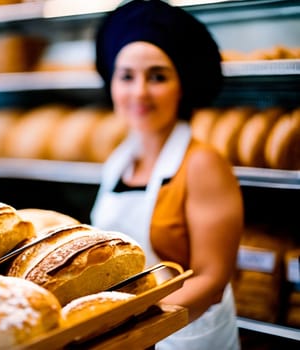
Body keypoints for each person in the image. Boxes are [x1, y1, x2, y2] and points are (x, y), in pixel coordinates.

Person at [89, 0, 244, 349]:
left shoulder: (203, 164)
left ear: (182, 85)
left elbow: (213, 277)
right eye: (126, 76)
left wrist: (135, 326)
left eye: (157, 76)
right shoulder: (118, 161)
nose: (139, 92)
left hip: (184, 334)